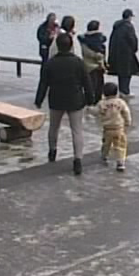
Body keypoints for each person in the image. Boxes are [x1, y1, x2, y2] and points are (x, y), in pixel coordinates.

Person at [35, 33, 94, 176]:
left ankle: (52, 151)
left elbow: (43, 84)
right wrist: (90, 99)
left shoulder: (50, 63)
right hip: (75, 100)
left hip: (56, 99)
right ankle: (78, 159)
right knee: (77, 130)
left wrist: (39, 100)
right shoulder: (78, 63)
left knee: (54, 127)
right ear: (71, 46)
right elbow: (87, 82)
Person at [98, 82, 132, 172]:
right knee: (120, 146)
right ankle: (120, 162)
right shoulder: (120, 102)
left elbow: (96, 112)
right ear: (116, 92)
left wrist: (89, 110)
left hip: (107, 129)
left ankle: (104, 156)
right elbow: (126, 112)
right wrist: (128, 122)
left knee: (106, 144)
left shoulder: (102, 103)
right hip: (119, 128)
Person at [107, 9, 139, 98]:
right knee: (127, 73)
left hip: (116, 53)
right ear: (129, 17)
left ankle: (122, 90)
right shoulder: (129, 26)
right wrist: (134, 49)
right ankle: (125, 91)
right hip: (126, 54)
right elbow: (133, 40)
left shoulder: (116, 26)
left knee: (120, 72)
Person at [78, 20, 107, 106]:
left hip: (92, 66)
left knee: (95, 86)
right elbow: (96, 54)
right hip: (94, 67)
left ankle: (92, 103)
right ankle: (91, 104)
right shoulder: (97, 40)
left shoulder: (83, 39)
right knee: (94, 87)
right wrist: (101, 58)